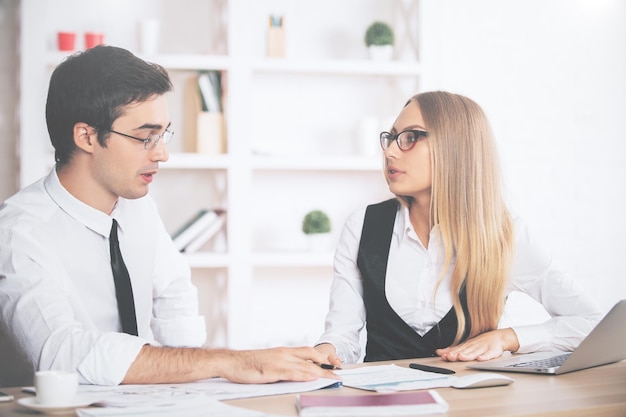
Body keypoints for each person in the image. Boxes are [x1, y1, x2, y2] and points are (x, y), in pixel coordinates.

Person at [0, 45, 337, 387]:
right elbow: (61, 354)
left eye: (162, 135)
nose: (162, 154)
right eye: (146, 137)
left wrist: (194, 382)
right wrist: (225, 361)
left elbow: (174, 292)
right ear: (87, 136)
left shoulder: (138, 205)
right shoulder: (20, 233)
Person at [314, 91, 602, 366]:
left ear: (455, 146)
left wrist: (509, 338)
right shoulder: (363, 225)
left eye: (410, 137)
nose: (389, 151)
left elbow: (592, 323)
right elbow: (342, 335)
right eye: (390, 138)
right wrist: (326, 352)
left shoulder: (504, 236)